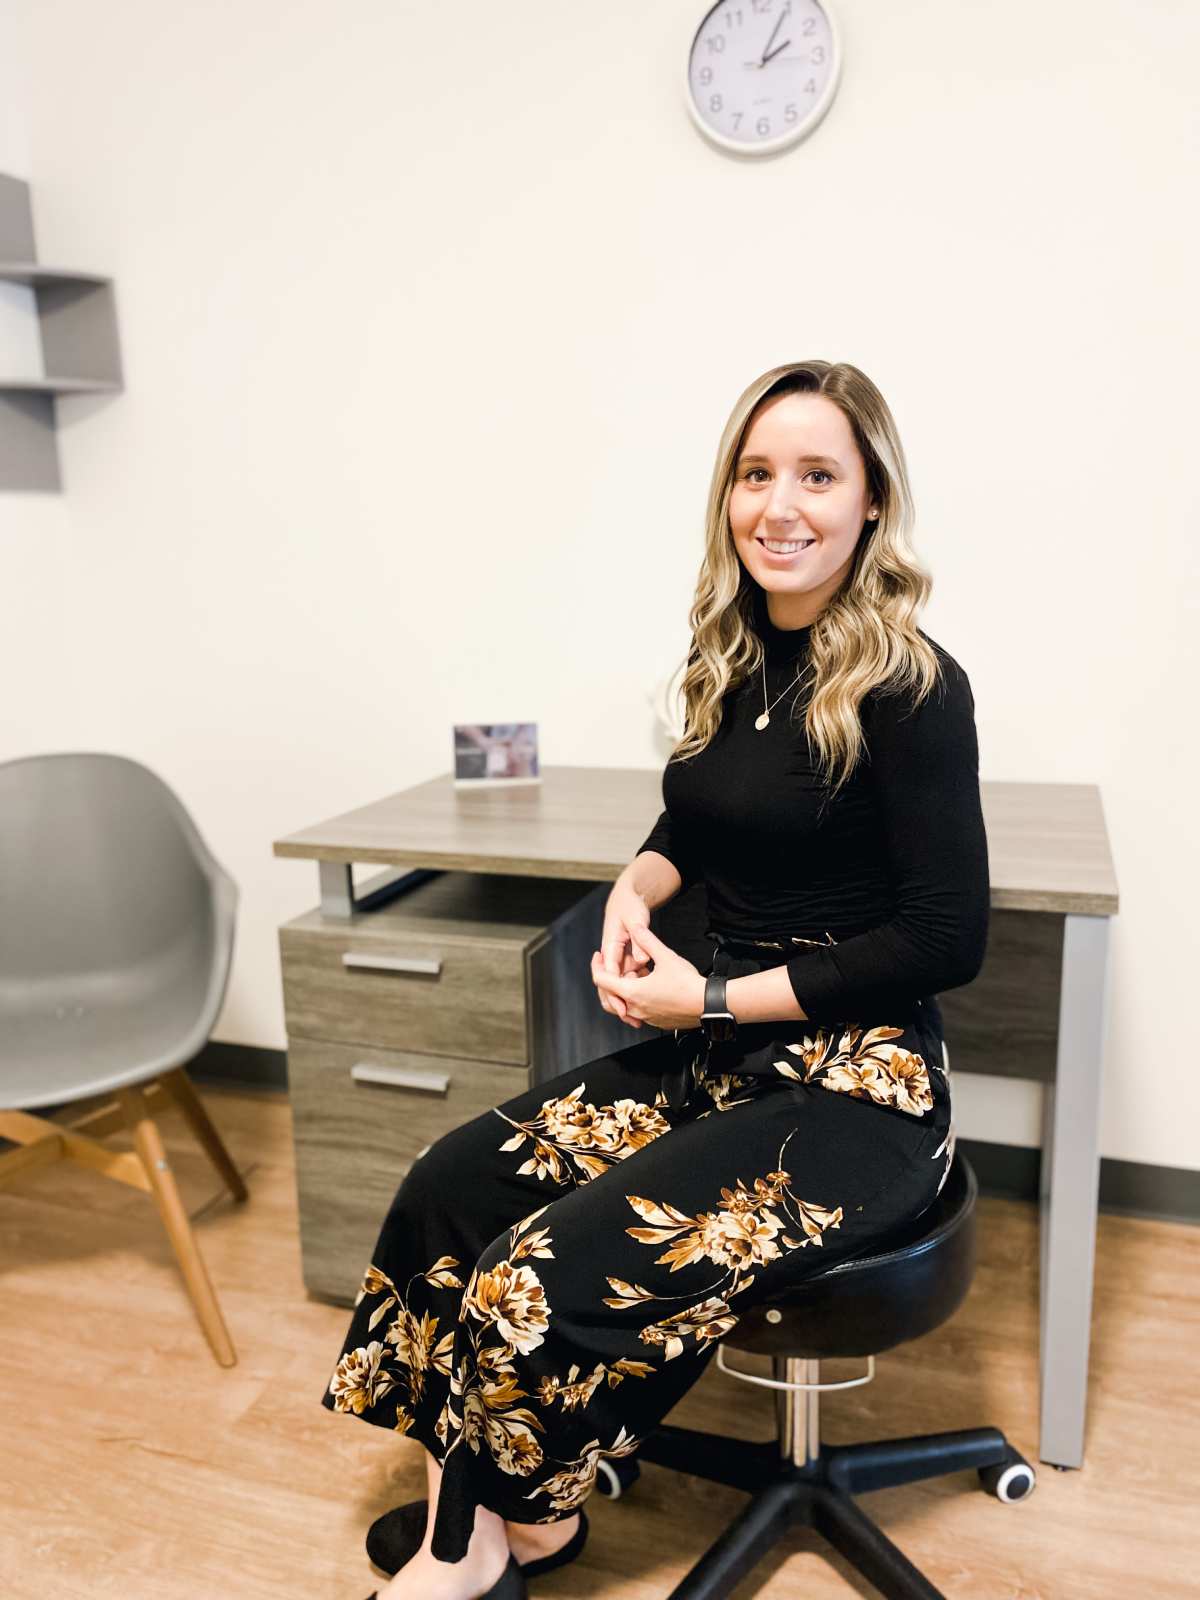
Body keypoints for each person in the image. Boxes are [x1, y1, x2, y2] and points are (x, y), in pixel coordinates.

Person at [320, 359, 990, 1600]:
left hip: (857, 1091)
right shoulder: (733, 651)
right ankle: (496, 1526)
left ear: (872, 504)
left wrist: (720, 1000)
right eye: (755, 472)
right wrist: (636, 887)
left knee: (538, 1276)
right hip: (719, 1053)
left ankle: (473, 1550)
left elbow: (947, 939)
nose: (779, 505)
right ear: (727, 494)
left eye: (817, 474)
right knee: (452, 1191)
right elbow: (701, 820)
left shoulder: (912, 688)